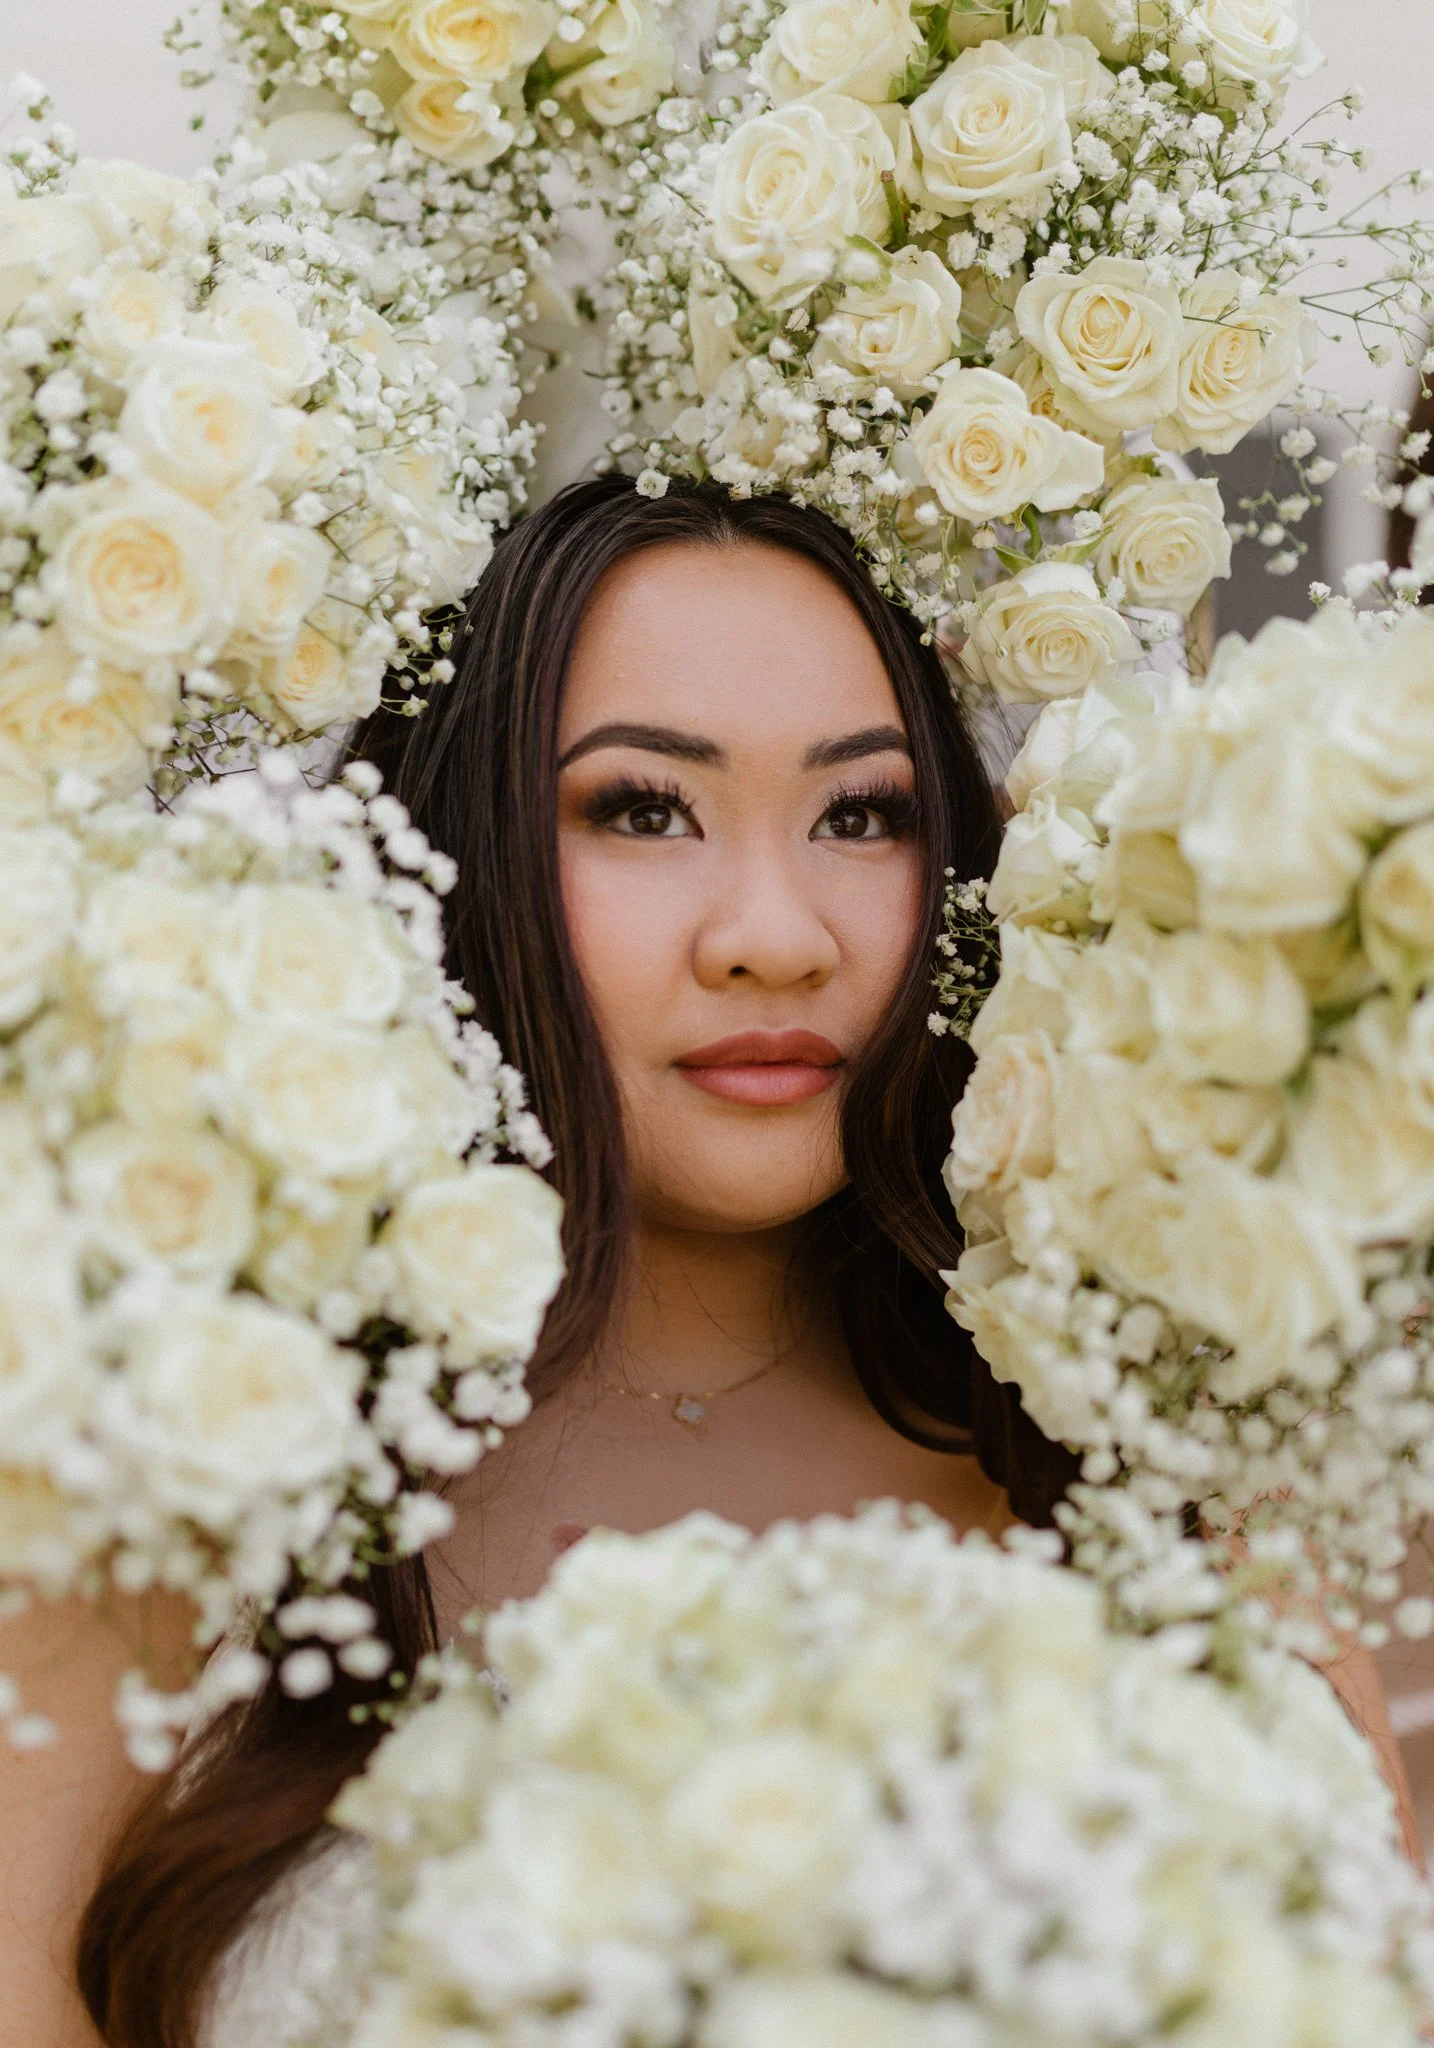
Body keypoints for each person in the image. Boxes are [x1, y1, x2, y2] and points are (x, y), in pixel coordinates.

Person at [0, 478, 1412, 2048]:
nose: (774, 935)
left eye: (859, 815)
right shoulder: (187, 1488)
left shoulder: (1163, 1473)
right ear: (451, 853)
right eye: (641, 810)